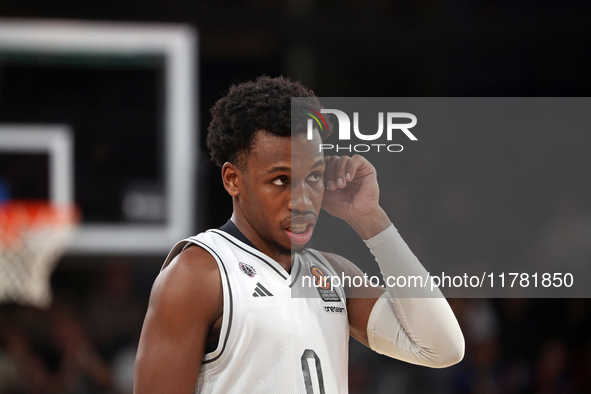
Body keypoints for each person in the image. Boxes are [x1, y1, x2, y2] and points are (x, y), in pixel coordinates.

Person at [134, 76, 464, 393]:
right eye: (281, 180)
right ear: (233, 179)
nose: (302, 200)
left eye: (314, 176)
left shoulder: (333, 274)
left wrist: (371, 220)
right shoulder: (200, 274)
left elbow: (442, 348)